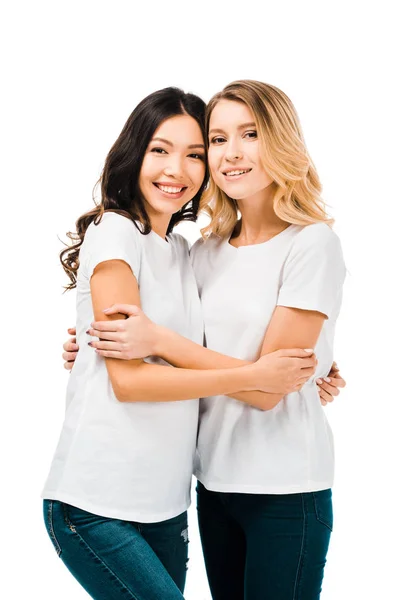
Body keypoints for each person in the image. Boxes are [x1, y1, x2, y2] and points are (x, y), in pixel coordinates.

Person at [67, 80, 347, 599]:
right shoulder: (202, 252)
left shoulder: (313, 243)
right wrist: (88, 344)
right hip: (211, 483)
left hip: (284, 486)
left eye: (250, 134)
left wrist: (159, 339)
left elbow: (267, 389)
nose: (231, 153)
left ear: (281, 141)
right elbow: (221, 357)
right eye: (217, 140)